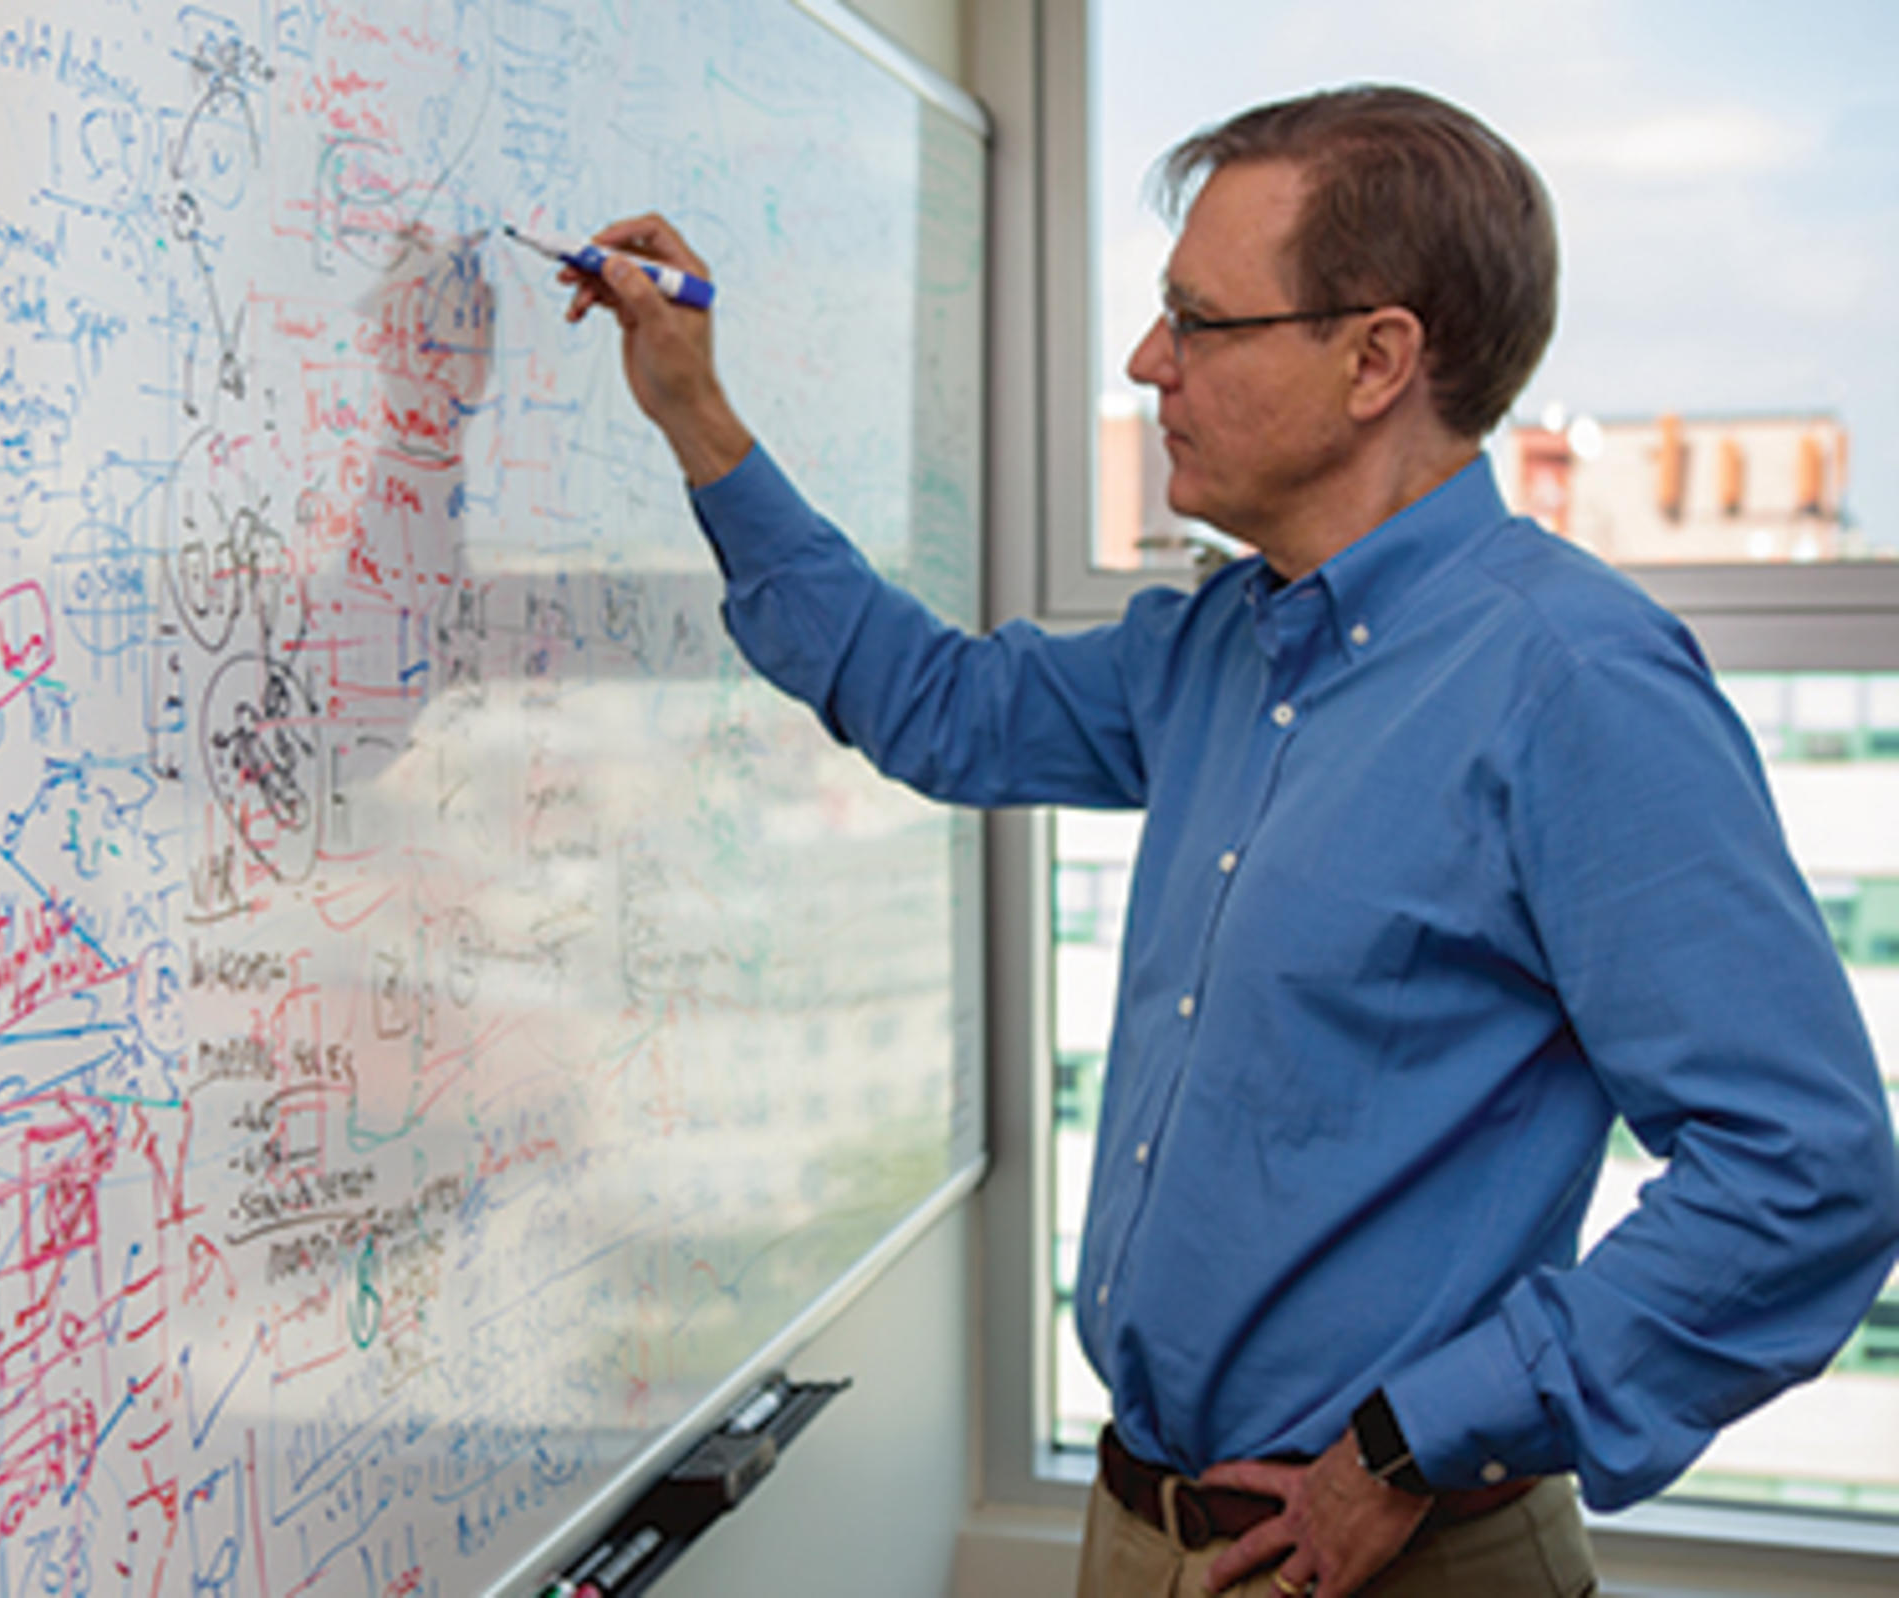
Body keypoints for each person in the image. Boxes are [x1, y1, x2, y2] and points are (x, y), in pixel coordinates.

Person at [561, 84, 1899, 1598]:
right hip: (1144, 1531)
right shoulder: (1214, 651)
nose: (1146, 363)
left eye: (1198, 321)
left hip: (1391, 1554)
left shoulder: (1574, 682)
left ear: (1376, 359)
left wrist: (1415, 1439)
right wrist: (696, 413)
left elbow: (1809, 1175)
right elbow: (932, 701)